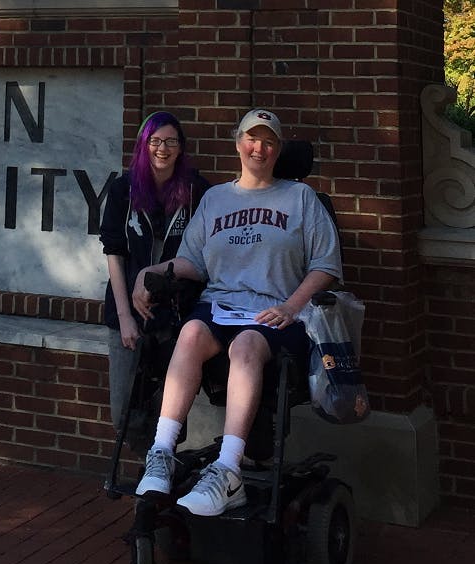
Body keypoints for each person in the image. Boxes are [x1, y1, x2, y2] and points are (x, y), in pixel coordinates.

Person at [131, 109, 343, 516]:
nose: (258, 147)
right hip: (221, 309)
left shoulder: (301, 198)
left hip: (277, 316)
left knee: (247, 344)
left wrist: (291, 305)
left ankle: (228, 470)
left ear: (278, 150)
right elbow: (194, 262)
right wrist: (151, 270)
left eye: (268, 141)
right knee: (190, 332)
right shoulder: (215, 199)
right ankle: (161, 452)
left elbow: (326, 265)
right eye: (251, 138)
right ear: (238, 142)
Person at [99, 111, 211, 447]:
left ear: (181, 148)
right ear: (143, 146)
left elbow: (203, 253)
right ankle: (142, 463)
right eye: (155, 141)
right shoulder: (124, 190)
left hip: (176, 311)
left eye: (171, 141)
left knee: (171, 408)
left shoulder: (197, 191)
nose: (163, 148)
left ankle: (162, 471)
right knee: (123, 409)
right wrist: (124, 318)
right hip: (128, 311)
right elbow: (114, 251)